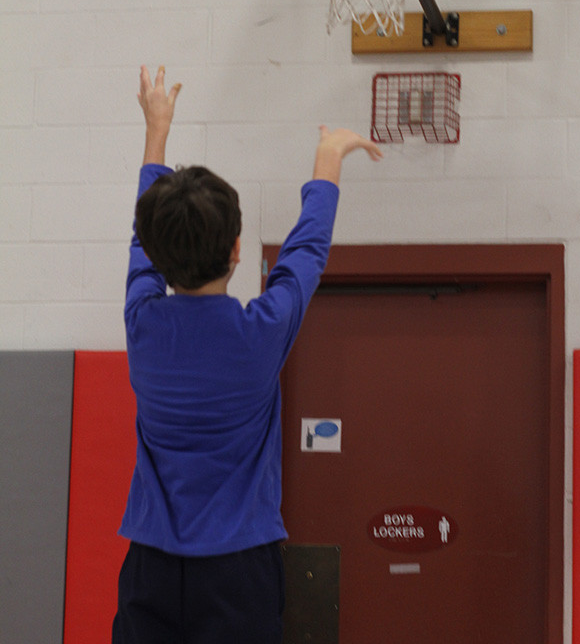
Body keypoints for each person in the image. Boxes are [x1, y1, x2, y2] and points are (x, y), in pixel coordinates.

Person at [112, 65, 382, 644]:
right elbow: (306, 253)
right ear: (238, 250)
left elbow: (143, 237)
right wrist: (328, 158)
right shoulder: (260, 334)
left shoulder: (143, 324)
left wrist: (156, 128)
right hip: (238, 569)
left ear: (157, 259)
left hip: (150, 567)